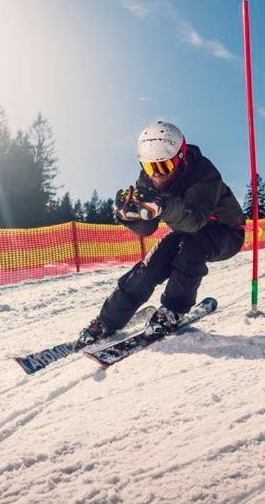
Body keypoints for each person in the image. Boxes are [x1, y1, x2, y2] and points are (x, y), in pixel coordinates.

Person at [78, 121, 245, 345]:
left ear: (181, 157)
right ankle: (106, 321)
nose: (157, 175)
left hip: (225, 232)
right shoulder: (147, 180)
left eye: (164, 167)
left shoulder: (204, 173)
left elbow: (195, 220)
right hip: (186, 231)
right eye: (149, 168)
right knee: (151, 265)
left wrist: (164, 205)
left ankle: (172, 310)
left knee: (191, 250)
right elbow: (149, 228)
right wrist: (131, 217)